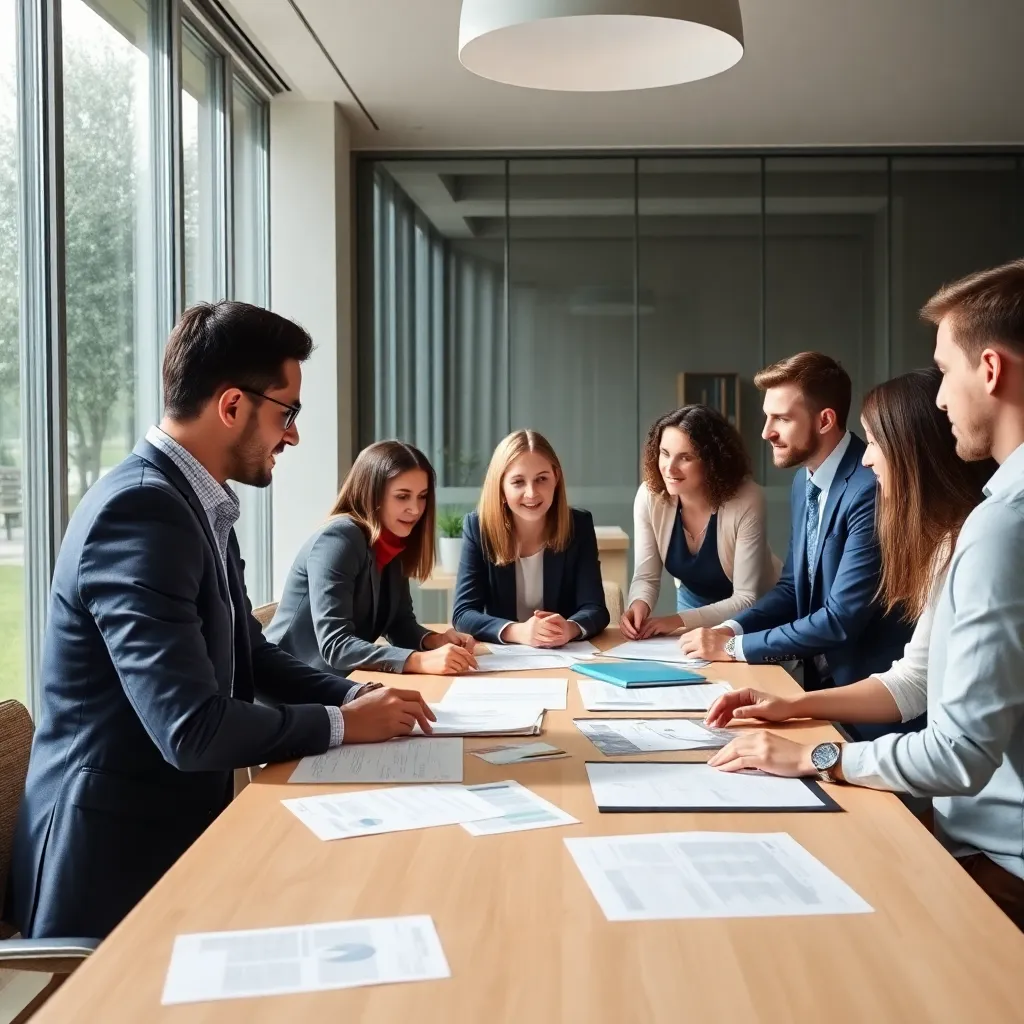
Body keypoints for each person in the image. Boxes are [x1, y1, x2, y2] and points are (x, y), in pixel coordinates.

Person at [9, 303, 433, 940]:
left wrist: (354, 696)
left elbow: (249, 653)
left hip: (181, 839)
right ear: (232, 405)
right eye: (287, 413)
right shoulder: (142, 513)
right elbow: (191, 728)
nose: (293, 436)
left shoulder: (195, 503)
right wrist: (343, 724)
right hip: (112, 868)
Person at [706, 260, 1024, 931]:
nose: (942, 399)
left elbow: (959, 753)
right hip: (971, 838)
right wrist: (793, 706)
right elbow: (916, 680)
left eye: (946, 372)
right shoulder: (976, 528)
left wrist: (812, 754)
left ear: (991, 371)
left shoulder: (1000, 527)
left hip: (998, 864)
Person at [680, 352, 914, 740]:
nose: (766, 432)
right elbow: (792, 588)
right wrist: (729, 630)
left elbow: (840, 619)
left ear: (825, 420)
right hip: (814, 691)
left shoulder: (870, 486)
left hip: (871, 706)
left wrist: (736, 648)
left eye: (782, 419)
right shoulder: (805, 480)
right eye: (767, 417)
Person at [266, 440, 477, 676]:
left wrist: (434, 640)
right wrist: (418, 660)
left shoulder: (392, 540)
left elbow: (399, 624)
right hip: (284, 683)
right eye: (402, 496)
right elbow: (336, 646)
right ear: (372, 495)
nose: (416, 509)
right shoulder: (338, 538)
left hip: (334, 681)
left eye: (422, 496)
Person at [621, 405, 779, 640]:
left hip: (758, 611)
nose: (669, 468)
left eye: (685, 457)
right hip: (693, 603)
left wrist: (674, 621)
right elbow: (646, 577)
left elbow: (746, 598)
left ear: (713, 461)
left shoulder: (748, 498)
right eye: (665, 453)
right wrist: (638, 604)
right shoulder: (650, 496)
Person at [452, 429, 610, 646]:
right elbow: (463, 613)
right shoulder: (479, 528)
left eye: (541, 479)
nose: (531, 493)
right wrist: (518, 632)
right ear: (501, 487)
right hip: (505, 657)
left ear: (556, 478)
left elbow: (596, 609)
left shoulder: (578, 525)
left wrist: (569, 628)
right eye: (518, 482)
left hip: (564, 653)